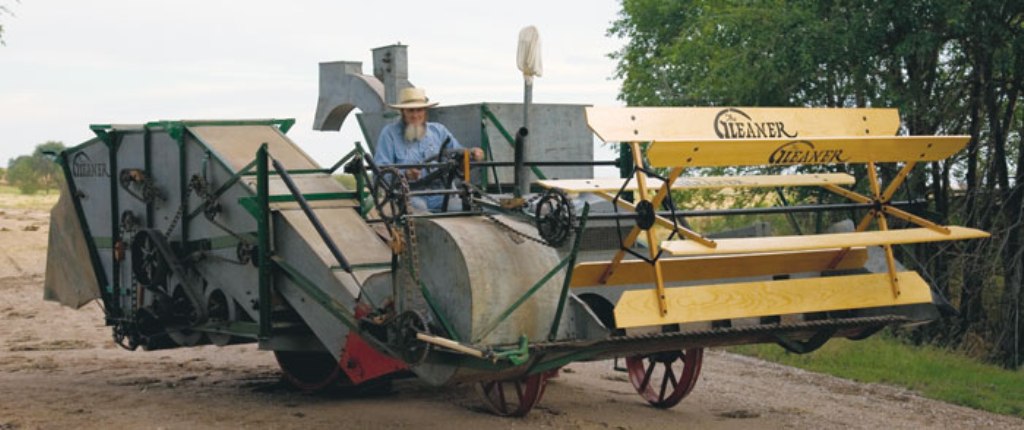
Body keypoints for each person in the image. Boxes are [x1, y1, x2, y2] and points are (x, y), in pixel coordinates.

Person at [374, 87, 484, 212]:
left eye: (419, 110)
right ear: (402, 111)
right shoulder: (389, 134)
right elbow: (380, 172)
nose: (415, 115)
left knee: (459, 209)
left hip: (442, 192)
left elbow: (458, 154)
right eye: (410, 111)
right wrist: (405, 175)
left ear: (425, 111)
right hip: (410, 194)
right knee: (419, 210)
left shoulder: (439, 131)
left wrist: (472, 154)